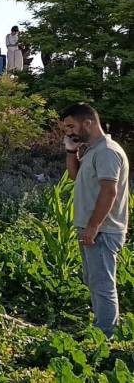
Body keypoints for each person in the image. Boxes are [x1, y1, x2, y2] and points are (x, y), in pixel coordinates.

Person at [61, 103, 130, 337]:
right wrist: (72, 151)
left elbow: (108, 192)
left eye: (71, 126)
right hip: (93, 229)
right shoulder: (93, 150)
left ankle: (106, 337)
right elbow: (73, 176)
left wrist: (92, 228)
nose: (68, 132)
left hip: (103, 230)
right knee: (93, 280)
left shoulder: (107, 152)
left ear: (88, 123)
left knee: (102, 285)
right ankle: (102, 328)